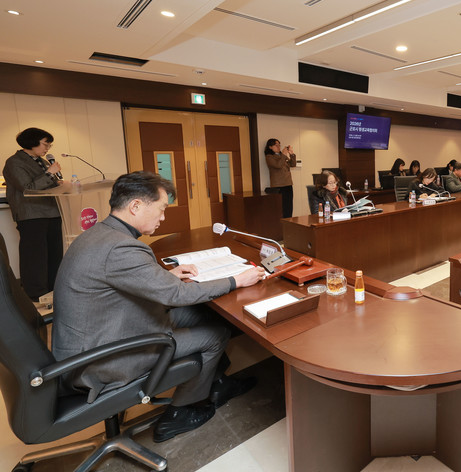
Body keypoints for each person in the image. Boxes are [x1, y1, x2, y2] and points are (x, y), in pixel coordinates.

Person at [52, 171, 265, 442]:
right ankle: (179, 413)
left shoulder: (101, 234)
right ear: (135, 206)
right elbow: (176, 294)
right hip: (102, 357)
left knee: (199, 314)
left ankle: (217, 382)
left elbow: (121, 280)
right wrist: (236, 280)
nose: (163, 217)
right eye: (161, 209)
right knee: (216, 334)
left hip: (96, 335)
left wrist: (166, 276)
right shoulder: (121, 248)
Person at [2, 127, 63, 301]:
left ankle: (54, 290)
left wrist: (60, 184)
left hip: (52, 211)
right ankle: (36, 293)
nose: (47, 149)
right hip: (31, 214)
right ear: (31, 142)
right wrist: (49, 173)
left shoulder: (42, 161)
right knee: (35, 256)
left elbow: (46, 184)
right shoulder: (14, 162)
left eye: (49, 145)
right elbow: (28, 188)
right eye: (45, 144)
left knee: (54, 254)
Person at [264, 138, 296, 218]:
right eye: (276, 145)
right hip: (278, 186)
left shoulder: (282, 156)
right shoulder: (269, 157)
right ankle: (281, 224)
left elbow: (293, 164)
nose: (278, 147)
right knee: (281, 208)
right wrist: (284, 155)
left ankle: (289, 221)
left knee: (289, 206)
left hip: (288, 184)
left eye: (279, 145)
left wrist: (292, 154)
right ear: (270, 147)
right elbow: (278, 165)